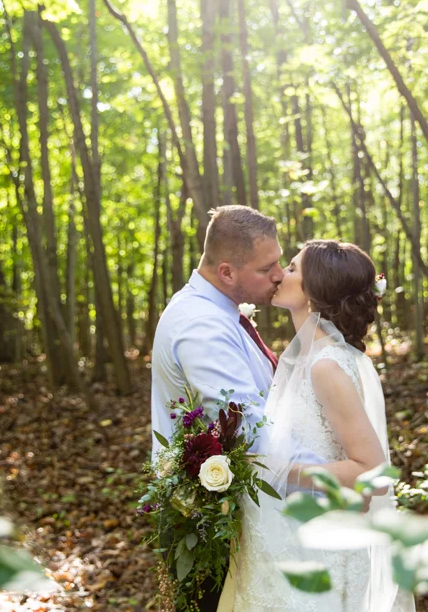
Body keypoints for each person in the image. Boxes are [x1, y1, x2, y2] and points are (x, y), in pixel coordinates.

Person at [224, 240, 415, 612]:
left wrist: (272, 468)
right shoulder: (306, 357)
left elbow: (372, 470)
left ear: (315, 291)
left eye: (292, 268)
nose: (280, 274)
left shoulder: (326, 365)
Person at [150, 205, 286, 611]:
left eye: (280, 261)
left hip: (237, 512)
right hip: (207, 521)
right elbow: (245, 424)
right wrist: (330, 469)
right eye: (267, 268)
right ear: (227, 272)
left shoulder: (218, 311)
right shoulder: (201, 325)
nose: (279, 274)